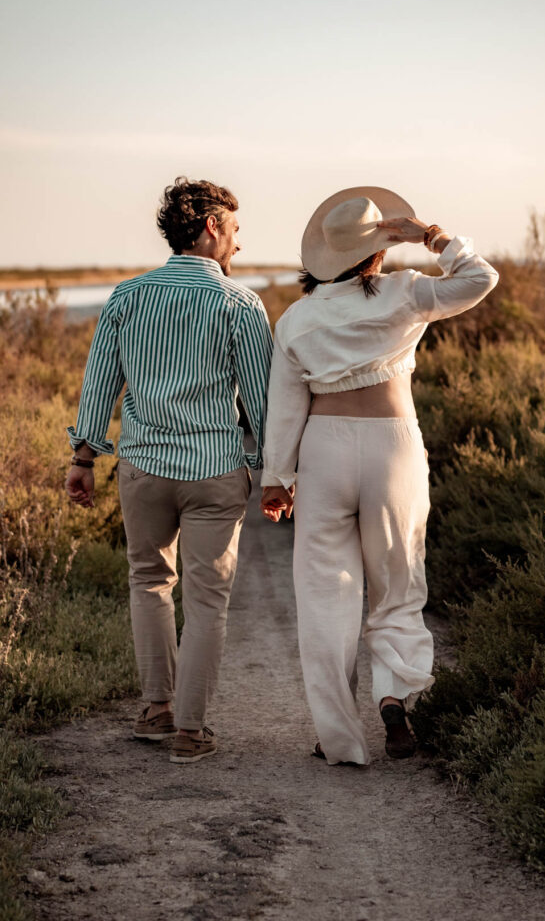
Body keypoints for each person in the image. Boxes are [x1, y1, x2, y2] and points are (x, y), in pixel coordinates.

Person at [259, 186, 499, 766]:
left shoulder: (297, 318)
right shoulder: (405, 291)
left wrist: (276, 478)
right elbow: (480, 278)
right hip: (393, 447)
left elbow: (285, 405)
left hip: (324, 454)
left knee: (324, 595)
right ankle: (393, 697)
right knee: (397, 585)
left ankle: (338, 737)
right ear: (378, 249)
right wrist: (432, 237)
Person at [65, 176, 273, 763]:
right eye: (234, 230)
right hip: (213, 470)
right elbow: (261, 403)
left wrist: (84, 459)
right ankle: (190, 730)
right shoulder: (239, 303)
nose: (237, 244)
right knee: (208, 599)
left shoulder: (127, 297)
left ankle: (157, 709)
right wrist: (269, 470)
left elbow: (100, 382)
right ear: (212, 227)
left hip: (144, 469)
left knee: (149, 581)